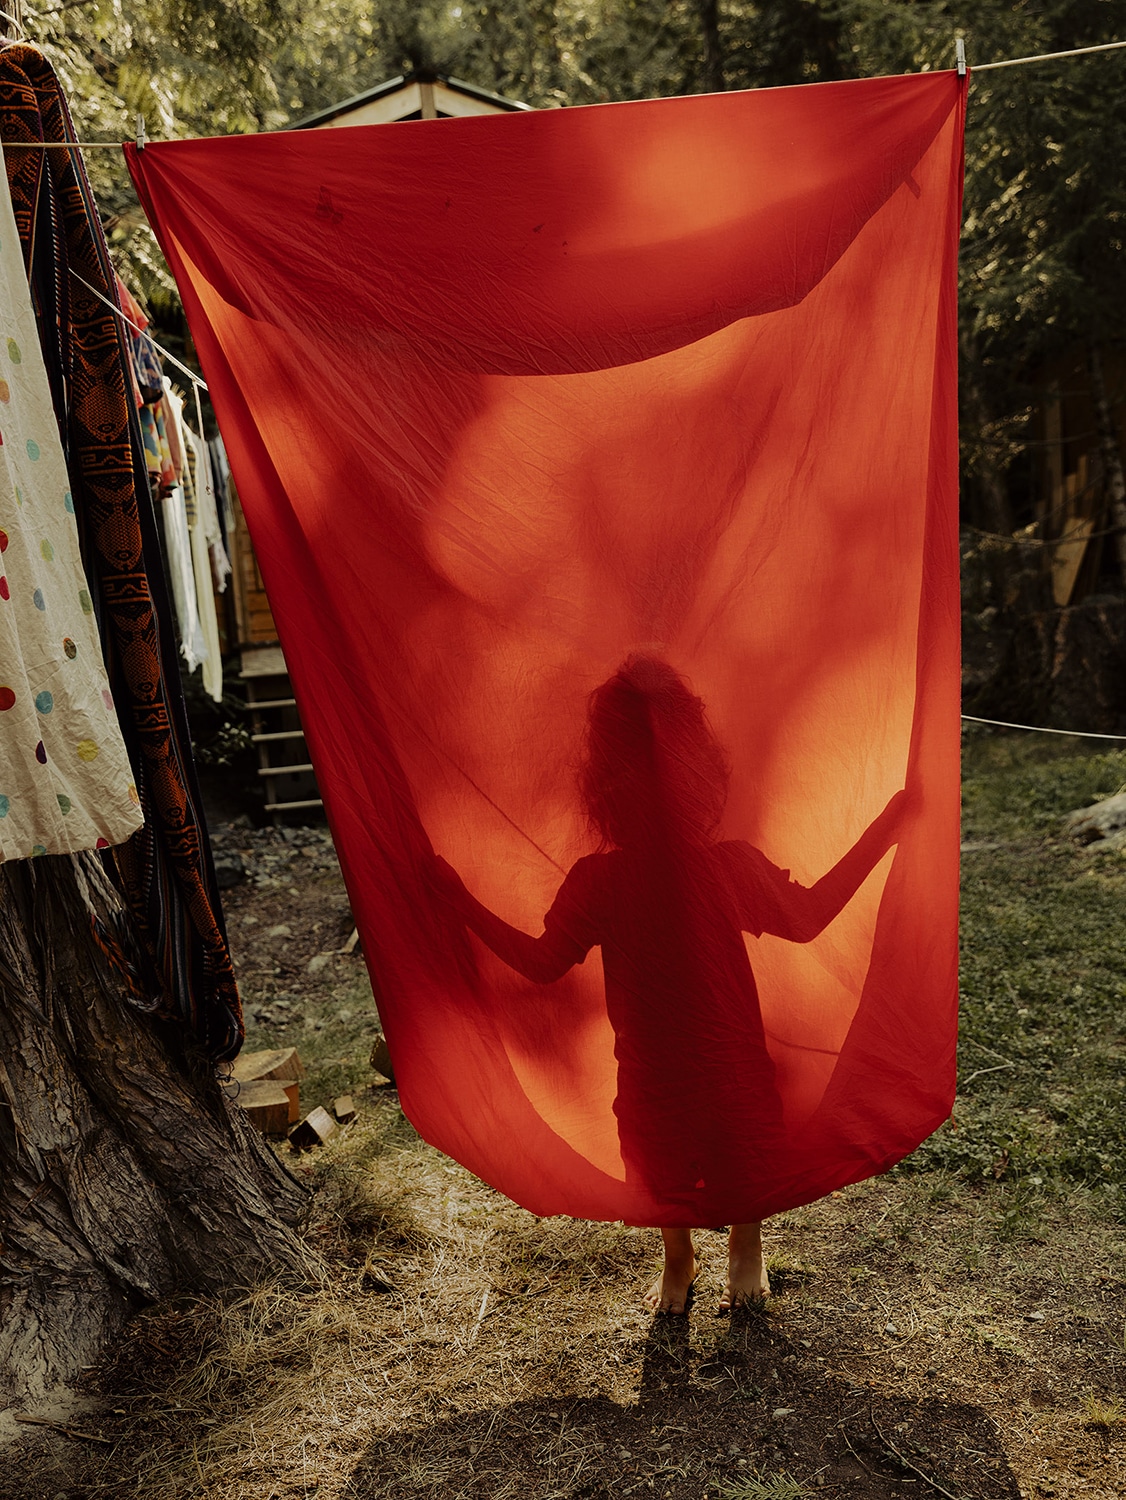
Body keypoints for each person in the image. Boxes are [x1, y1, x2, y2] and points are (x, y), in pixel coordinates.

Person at [432, 655, 907, 1314]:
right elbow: (544, 962)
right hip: (659, 1078)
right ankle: (680, 1255)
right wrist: (459, 904)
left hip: (724, 1069)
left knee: (738, 1147)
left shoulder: (705, 871)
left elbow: (807, 918)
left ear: (601, 780)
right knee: (664, 1160)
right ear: (699, 766)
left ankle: (744, 1247)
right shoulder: (607, 882)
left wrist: (889, 828)